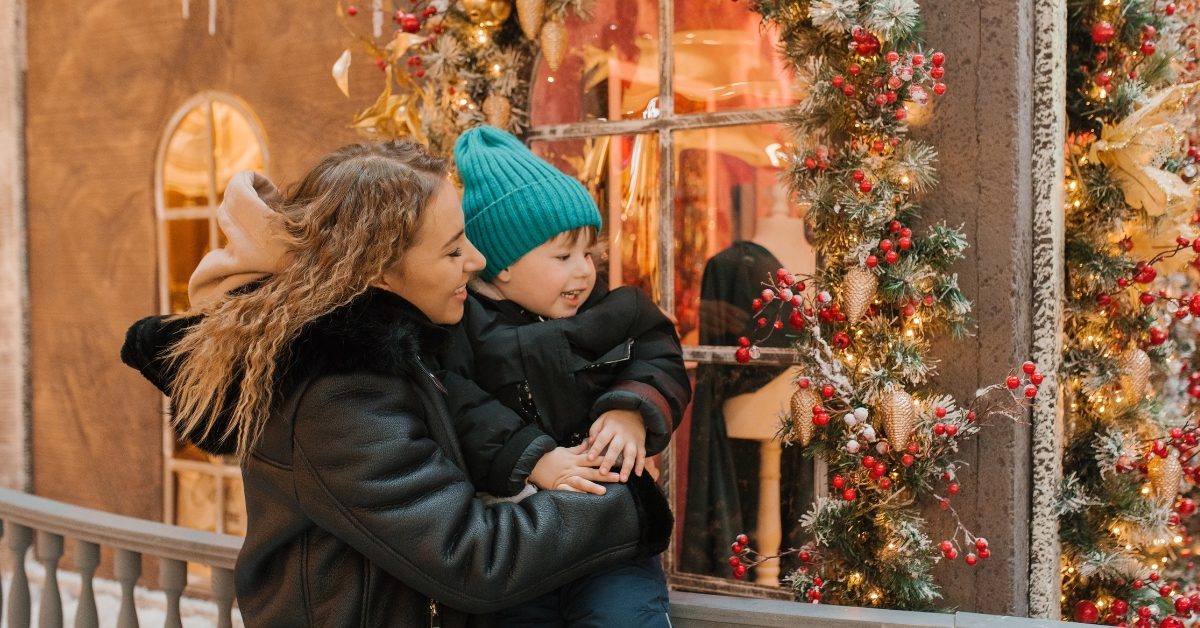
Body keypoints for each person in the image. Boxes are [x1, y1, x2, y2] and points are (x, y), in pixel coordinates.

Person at [120, 140, 671, 627]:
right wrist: (626, 498)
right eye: (454, 249)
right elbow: (470, 554)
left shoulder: (406, 348)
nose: (476, 261)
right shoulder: (338, 390)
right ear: (379, 270)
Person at [438, 126, 690, 626]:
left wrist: (629, 409)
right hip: (515, 537)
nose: (583, 271)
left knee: (624, 616)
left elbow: (658, 354)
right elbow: (459, 406)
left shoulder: (612, 310)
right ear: (502, 265)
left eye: (587, 254)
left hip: (610, 528)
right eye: (562, 256)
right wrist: (533, 457)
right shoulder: (461, 327)